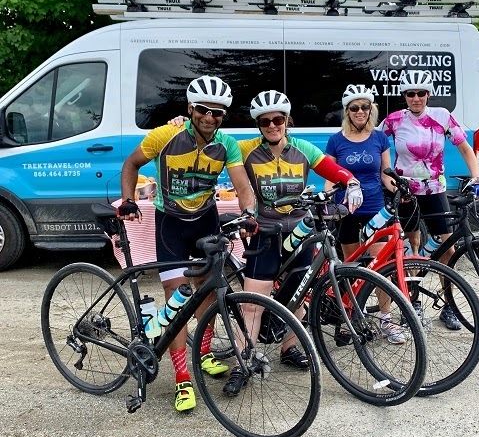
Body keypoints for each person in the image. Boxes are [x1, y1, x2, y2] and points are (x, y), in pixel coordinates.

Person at [118, 75, 256, 413]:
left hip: (205, 219)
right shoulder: (166, 135)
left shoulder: (227, 143)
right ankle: (182, 378)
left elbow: (241, 185)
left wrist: (249, 212)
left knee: (208, 295)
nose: (210, 117)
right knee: (175, 306)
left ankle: (205, 351)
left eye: (219, 112)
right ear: (191, 109)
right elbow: (131, 164)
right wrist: (127, 199)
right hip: (171, 225)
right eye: (204, 110)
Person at [223, 89, 363, 397]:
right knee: (251, 303)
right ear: (258, 125)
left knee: (299, 295)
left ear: (287, 121)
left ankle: (290, 347)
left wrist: (350, 181)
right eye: (265, 121)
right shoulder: (245, 149)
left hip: (300, 232)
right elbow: (210, 142)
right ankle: (241, 362)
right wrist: (179, 123)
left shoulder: (302, 148)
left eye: (278, 120)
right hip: (265, 233)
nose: (272, 126)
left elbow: (330, 167)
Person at [377, 70, 479, 330]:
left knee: (447, 248)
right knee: (412, 249)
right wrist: (389, 184)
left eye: (421, 93)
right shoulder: (393, 120)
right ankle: (413, 303)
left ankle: (449, 305)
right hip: (407, 193)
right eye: (410, 94)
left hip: (435, 189)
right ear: (404, 96)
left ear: (429, 94)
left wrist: (477, 177)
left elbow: (465, 148)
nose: (416, 98)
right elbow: (378, 151)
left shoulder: (442, 117)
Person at [324, 84, 404, 344]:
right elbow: (329, 174)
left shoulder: (379, 138)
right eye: (354, 108)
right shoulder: (336, 140)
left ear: (371, 110)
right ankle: (350, 317)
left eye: (365, 107)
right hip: (346, 209)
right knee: (350, 266)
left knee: (380, 265)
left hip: (375, 208)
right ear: (347, 111)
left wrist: (400, 189)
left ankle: (386, 319)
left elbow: (385, 172)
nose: (360, 112)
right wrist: (327, 200)